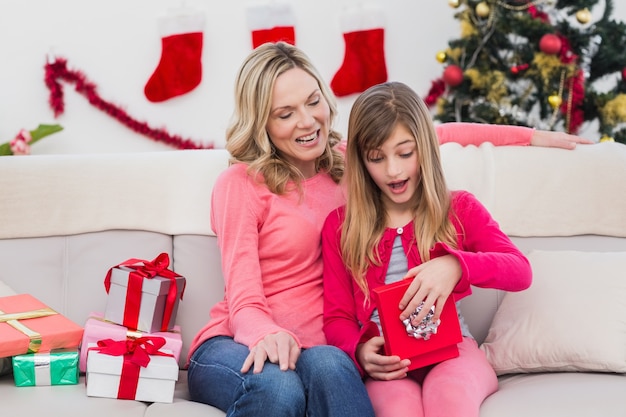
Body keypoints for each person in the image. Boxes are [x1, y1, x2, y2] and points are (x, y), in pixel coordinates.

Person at [186, 42, 590, 417]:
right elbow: (242, 296)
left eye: (313, 103)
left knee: (330, 368)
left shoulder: (354, 164)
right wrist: (266, 334)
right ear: (262, 122)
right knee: (280, 389)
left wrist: (533, 136)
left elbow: (434, 134)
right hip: (240, 342)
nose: (308, 122)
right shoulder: (241, 184)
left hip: (321, 349)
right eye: (285, 113)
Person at [321, 81, 534, 417]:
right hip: (390, 362)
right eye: (377, 158)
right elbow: (337, 317)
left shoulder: (458, 208)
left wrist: (456, 266)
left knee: (449, 399)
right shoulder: (340, 226)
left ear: (425, 148)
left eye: (405, 153)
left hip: (454, 351)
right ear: (361, 161)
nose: (393, 170)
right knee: (399, 409)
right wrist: (359, 351)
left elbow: (519, 271)